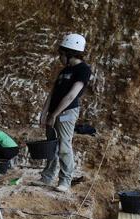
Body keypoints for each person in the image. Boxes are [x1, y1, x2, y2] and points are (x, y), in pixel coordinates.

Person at [37, 33, 91, 192]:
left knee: (63, 146)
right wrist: (44, 112)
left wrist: (54, 115)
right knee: (51, 145)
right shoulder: (63, 71)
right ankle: (47, 177)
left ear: (69, 53)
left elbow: (72, 95)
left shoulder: (83, 70)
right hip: (53, 112)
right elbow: (52, 93)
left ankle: (65, 180)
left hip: (67, 112)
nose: (59, 57)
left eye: (61, 54)